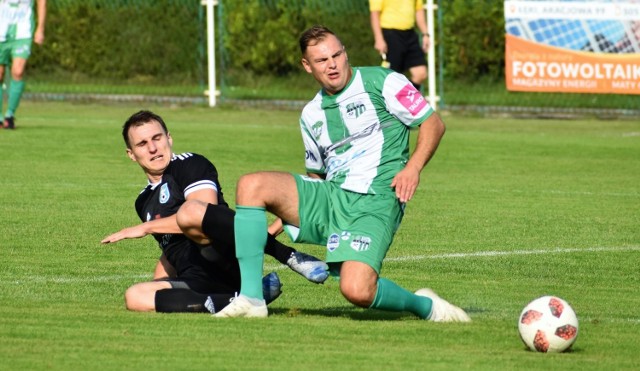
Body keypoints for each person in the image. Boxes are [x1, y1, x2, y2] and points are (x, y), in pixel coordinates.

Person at [215, 25, 470, 322]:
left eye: (337, 54)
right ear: (307, 66)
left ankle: (425, 306)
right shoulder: (311, 114)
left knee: (357, 291)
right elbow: (316, 178)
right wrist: (274, 226)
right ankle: (251, 299)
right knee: (252, 184)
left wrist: (413, 168)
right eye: (322, 60)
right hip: (331, 196)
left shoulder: (383, 81)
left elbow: (433, 123)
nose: (332, 64)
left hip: (375, 200)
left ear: (345, 53)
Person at [101, 110, 328, 313]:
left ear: (169, 138)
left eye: (157, 138)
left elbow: (201, 215)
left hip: (227, 258)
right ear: (131, 154)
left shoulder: (189, 164)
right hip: (198, 278)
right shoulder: (143, 201)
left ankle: (288, 255)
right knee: (135, 296)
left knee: (189, 211)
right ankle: (237, 299)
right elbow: (171, 246)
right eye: (142, 144)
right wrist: (160, 282)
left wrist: (144, 228)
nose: (152, 148)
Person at [0, 0, 46, 129]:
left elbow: (42, 2)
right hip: (1, 28)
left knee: (18, 71)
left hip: (23, 30)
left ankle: (10, 115)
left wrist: (40, 28)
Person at [369, 0, 429, 92]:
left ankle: (404, 98)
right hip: (391, 33)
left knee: (421, 73)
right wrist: (379, 38)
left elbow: (419, 10)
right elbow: (375, 13)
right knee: (392, 77)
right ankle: (386, 101)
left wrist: (425, 34)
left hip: (410, 33)